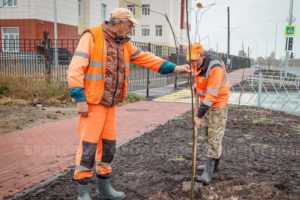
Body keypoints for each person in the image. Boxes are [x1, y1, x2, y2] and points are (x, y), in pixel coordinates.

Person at [68, 7, 190, 200]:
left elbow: (146, 58)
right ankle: (83, 191)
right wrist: (79, 98)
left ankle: (103, 186)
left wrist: (174, 68)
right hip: (92, 103)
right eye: (130, 25)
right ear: (118, 22)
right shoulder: (92, 36)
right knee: (89, 146)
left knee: (108, 146)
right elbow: (76, 68)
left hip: (111, 104)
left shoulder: (123, 44)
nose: (131, 29)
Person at [187, 43, 230, 184]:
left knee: (214, 136)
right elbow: (201, 79)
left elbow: (212, 96)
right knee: (207, 134)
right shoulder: (195, 63)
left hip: (217, 104)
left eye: (195, 60)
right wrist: (196, 86)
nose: (193, 63)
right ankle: (213, 164)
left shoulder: (215, 67)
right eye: (191, 60)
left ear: (203, 55)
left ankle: (208, 173)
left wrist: (198, 116)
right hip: (206, 104)